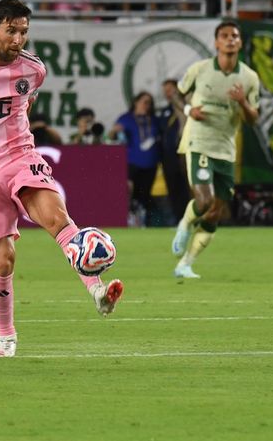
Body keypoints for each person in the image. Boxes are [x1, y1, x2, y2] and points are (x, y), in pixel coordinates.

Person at [0, 0, 123, 358]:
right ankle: (6, 335)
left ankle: (96, 290)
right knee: (3, 258)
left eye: (24, 32)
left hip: (20, 155)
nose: (18, 39)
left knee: (57, 219)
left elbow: (26, 104)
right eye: (11, 30)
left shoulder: (34, 69)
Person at [170, 21, 260, 279]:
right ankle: (185, 224)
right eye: (225, 36)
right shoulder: (199, 70)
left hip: (226, 147)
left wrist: (242, 102)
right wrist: (188, 110)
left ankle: (185, 264)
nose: (230, 40)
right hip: (199, 141)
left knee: (217, 211)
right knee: (204, 200)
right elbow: (176, 94)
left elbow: (253, 119)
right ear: (216, 43)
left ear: (240, 43)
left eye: (235, 36)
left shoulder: (249, 78)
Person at [109, 91, 162, 227]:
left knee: (144, 195)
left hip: (151, 163)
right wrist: (114, 131)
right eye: (144, 102)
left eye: (150, 103)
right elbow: (111, 137)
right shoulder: (126, 118)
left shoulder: (155, 120)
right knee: (129, 191)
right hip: (131, 162)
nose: (147, 105)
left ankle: (141, 221)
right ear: (136, 102)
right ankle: (126, 219)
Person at [159, 79, 189, 222]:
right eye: (165, 91)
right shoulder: (165, 111)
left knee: (187, 187)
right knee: (173, 187)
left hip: (184, 152)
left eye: (170, 89)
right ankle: (178, 220)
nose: (168, 93)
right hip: (169, 155)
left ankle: (190, 219)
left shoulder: (187, 108)